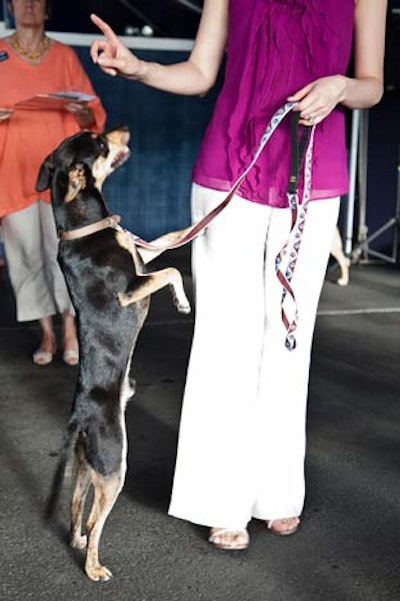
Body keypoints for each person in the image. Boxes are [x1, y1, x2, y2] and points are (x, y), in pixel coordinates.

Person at [90, 0, 387, 549]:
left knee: (286, 339)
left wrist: (341, 87)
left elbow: (372, 84)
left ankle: (275, 492)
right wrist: (139, 68)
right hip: (230, 167)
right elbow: (202, 72)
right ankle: (219, 497)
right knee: (226, 338)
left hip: (313, 178)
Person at [0, 0, 106, 366]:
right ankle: (46, 333)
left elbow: (94, 116)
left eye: (37, 0)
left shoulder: (63, 57)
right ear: (10, 8)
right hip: (11, 172)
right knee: (25, 257)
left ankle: (70, 327)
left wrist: (83, 112)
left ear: (47, 10)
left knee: (63, 256)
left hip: (60, 177)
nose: (29, 5)